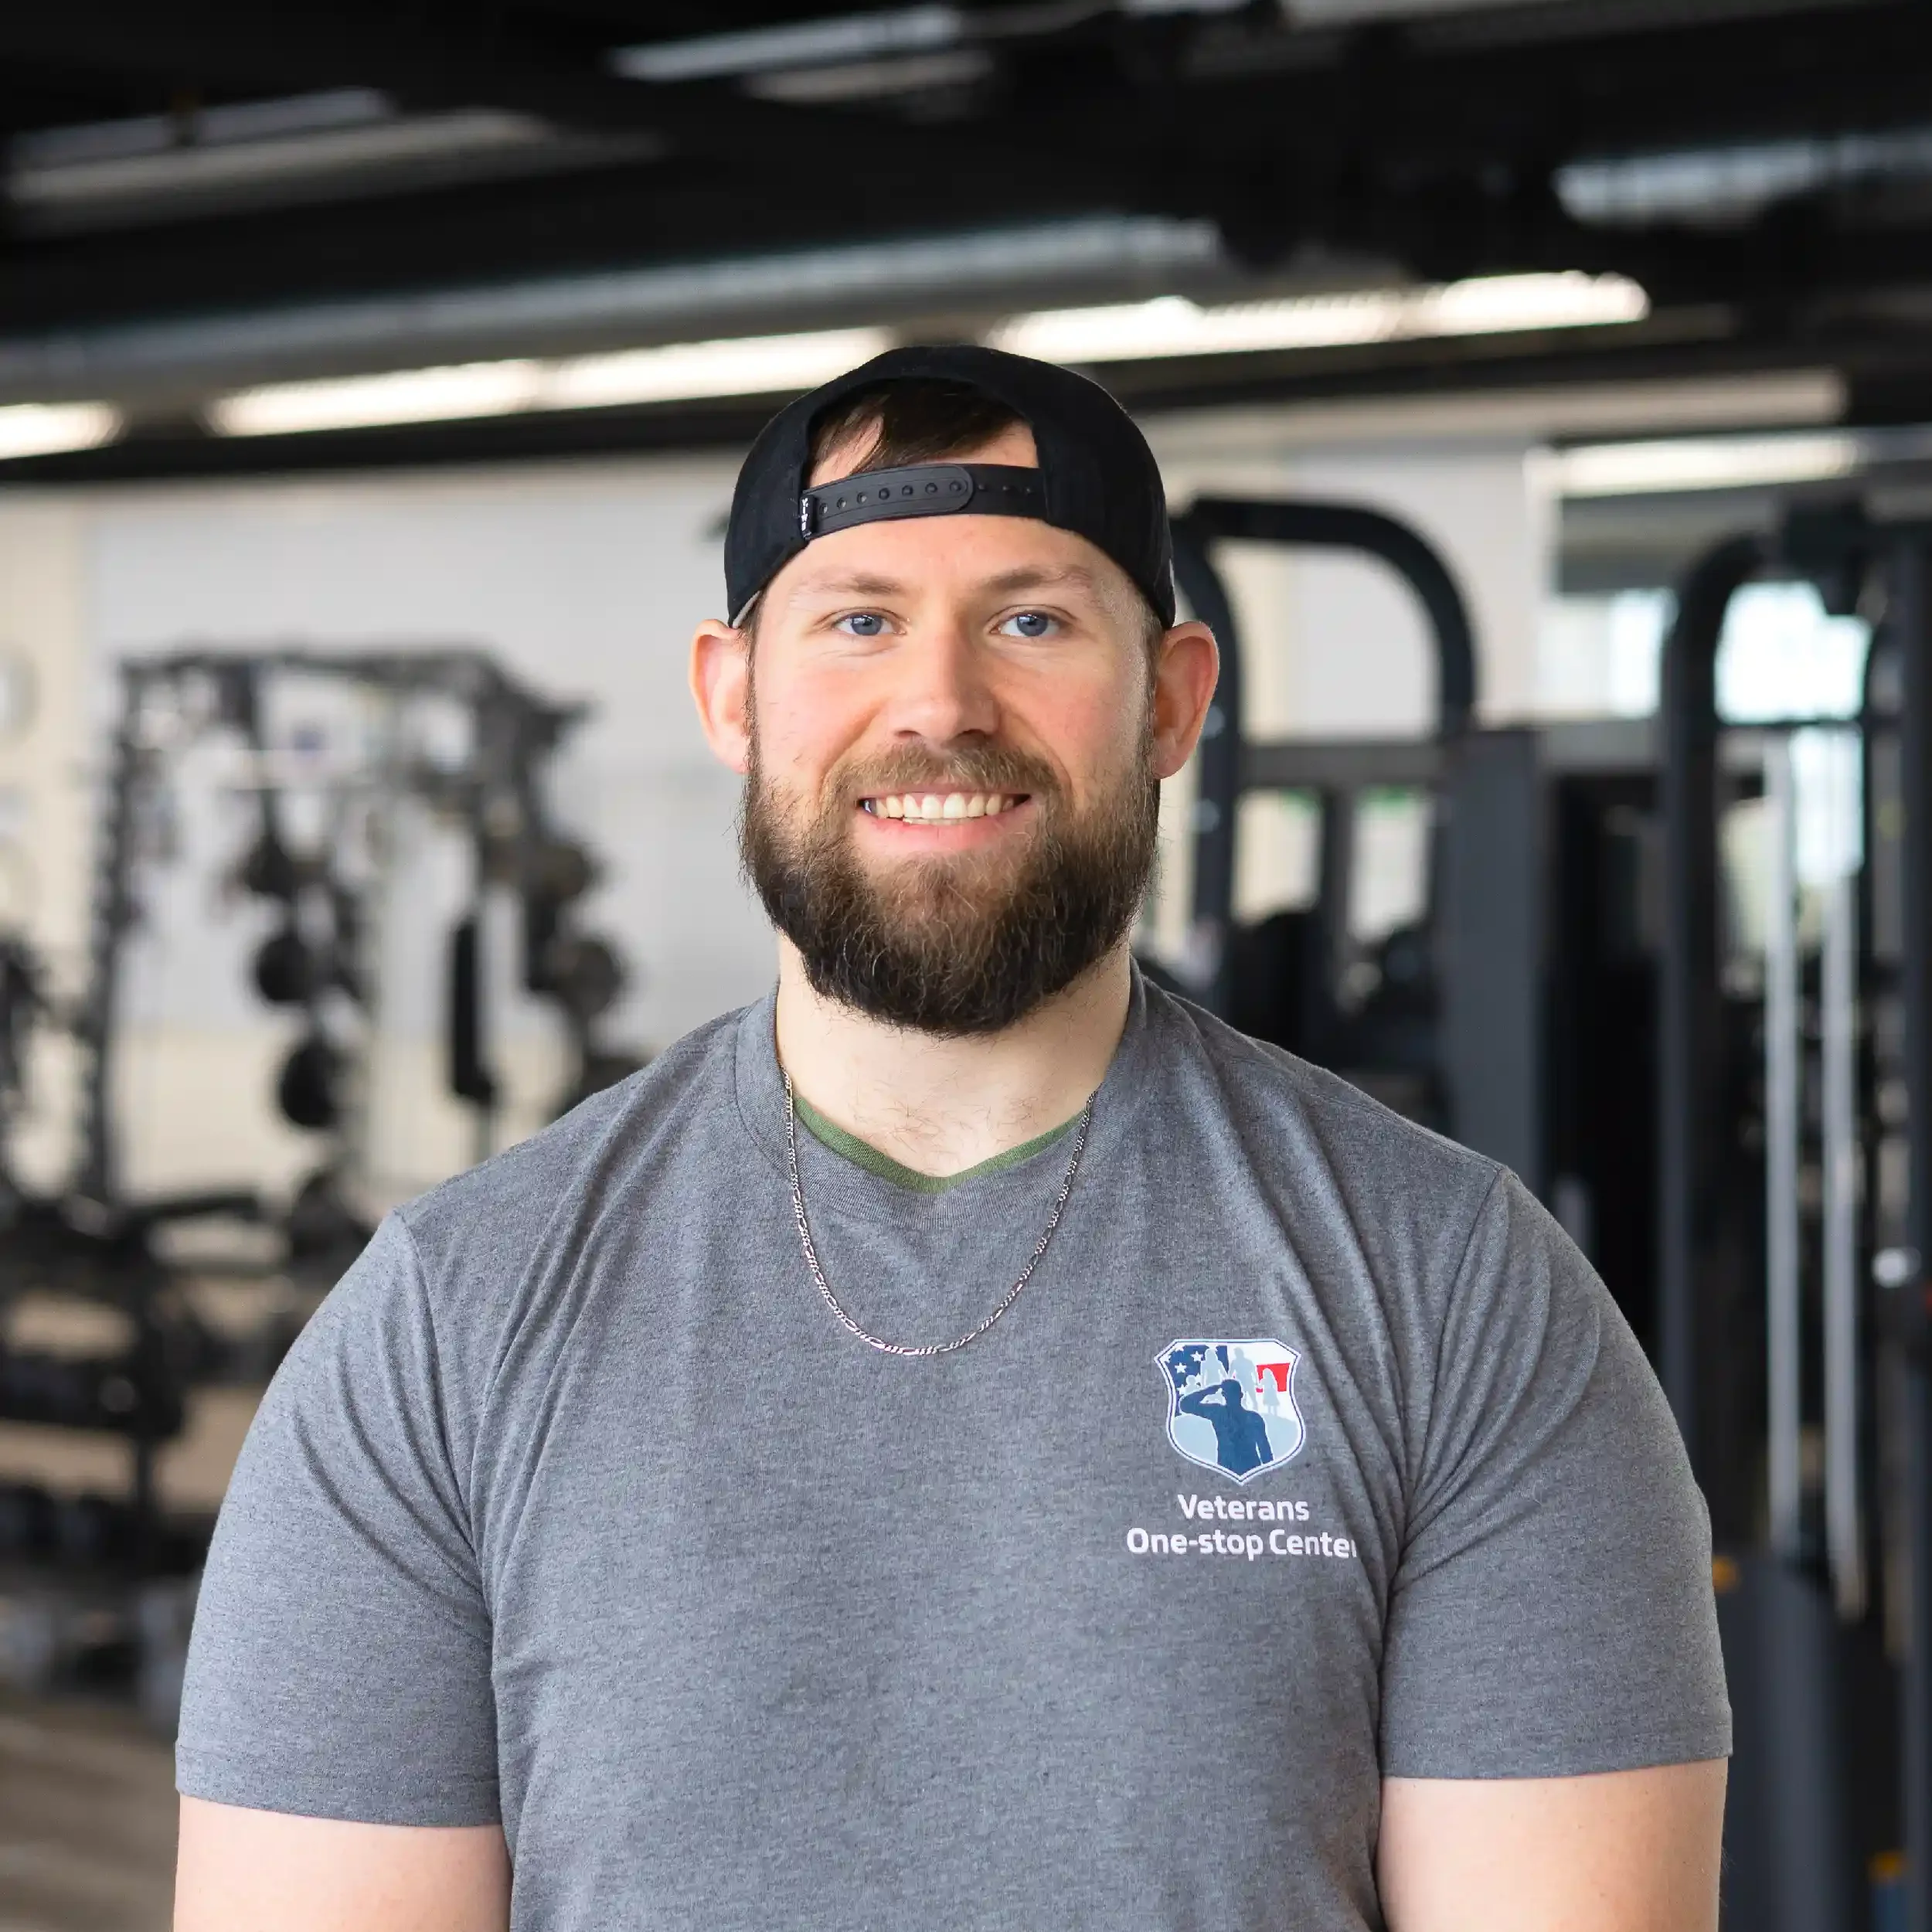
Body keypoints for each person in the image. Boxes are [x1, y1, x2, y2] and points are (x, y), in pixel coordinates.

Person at [172, 343, 1730, 1932]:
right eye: (858, 619)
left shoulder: (1451, 1289)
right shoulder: (451, 1319)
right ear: (732, 693)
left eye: (1029, 619)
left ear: (1173, 700)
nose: (938, 701)